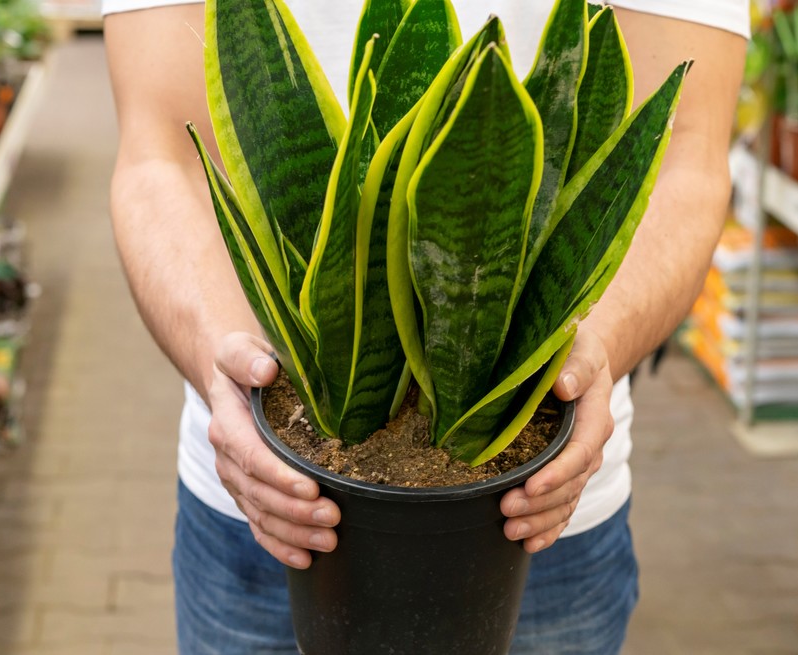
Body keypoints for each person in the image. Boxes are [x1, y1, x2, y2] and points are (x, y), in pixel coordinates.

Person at [103, 1, 747, 652]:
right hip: (258, 503)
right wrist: (226, 363)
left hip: (545, 521)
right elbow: (159, 155)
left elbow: (685, 153)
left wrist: (589, 349)